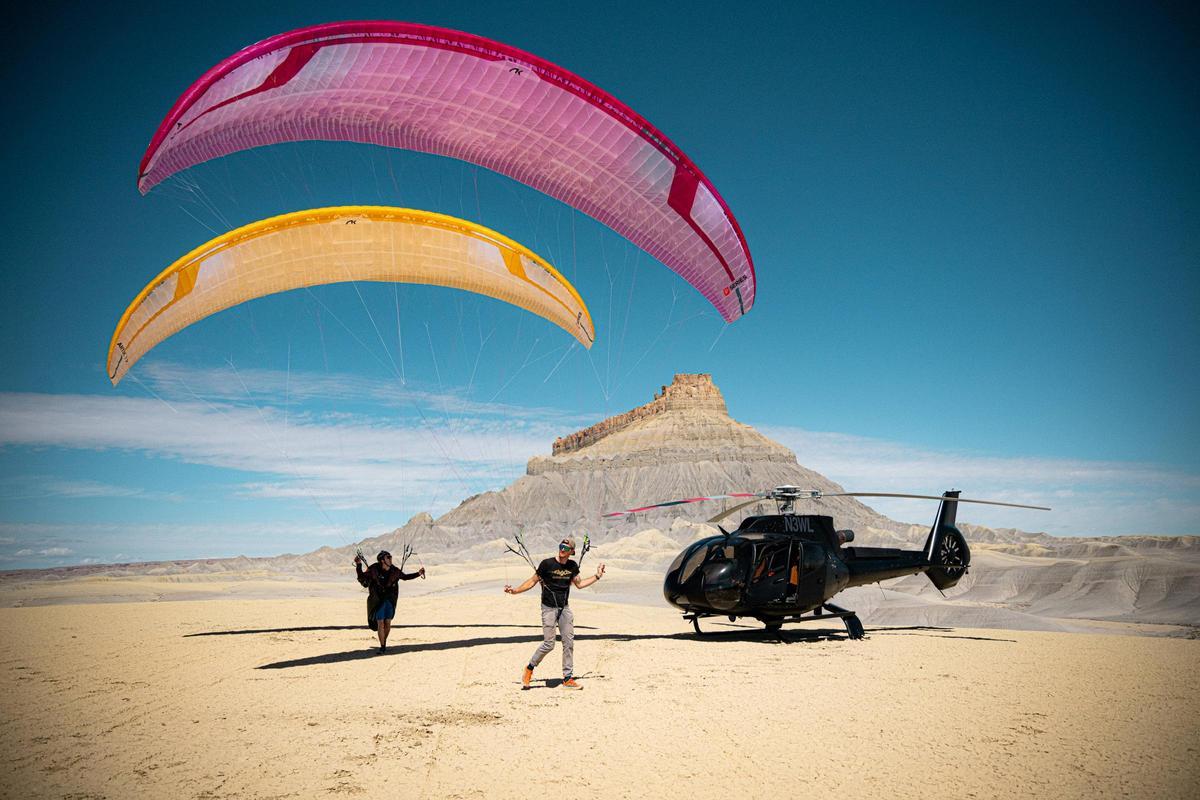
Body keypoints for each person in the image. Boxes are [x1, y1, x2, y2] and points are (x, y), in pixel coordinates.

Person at [503, 537, 605, 690]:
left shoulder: (572, 566)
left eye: (566, 548)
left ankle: (567, 678)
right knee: (549, 644)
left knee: (568, 642)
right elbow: (532, 581)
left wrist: (597, 576)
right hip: (548, 608)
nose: (562, 550)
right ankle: (529, 668)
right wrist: (515, 591)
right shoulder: (547, 564)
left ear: (572, 551)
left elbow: (580, 584)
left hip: (564, 608)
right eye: (560, 546)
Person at [354, 550, 424, 653]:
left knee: (387, 623)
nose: (391, 559)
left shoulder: (394, 571)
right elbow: (361, 577)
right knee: (380, 623)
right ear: (382, 560)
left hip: (390, 600)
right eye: (388, 557)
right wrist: (359, 565)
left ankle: (383, 642)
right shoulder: (374, 569)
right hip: (378, 601)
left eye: (390, 557)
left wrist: (418, 573)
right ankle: (382, 647)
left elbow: (405, 577)